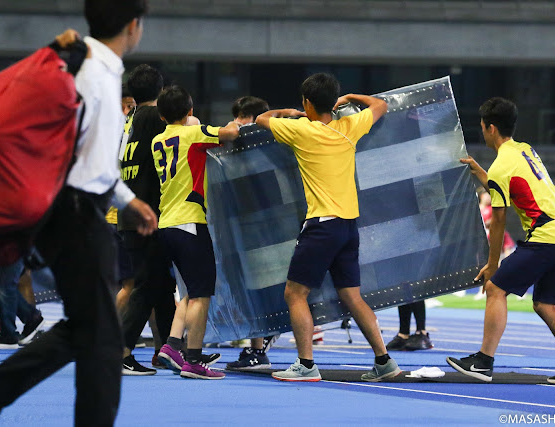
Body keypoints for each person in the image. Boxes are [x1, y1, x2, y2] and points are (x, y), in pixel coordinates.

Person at [0, 1, 157, 425]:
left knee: (90, 327)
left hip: (60, 211)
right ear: (134, 25)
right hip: (79, 213)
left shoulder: (75, 64)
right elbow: (95, 166)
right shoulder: (100, 74)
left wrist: (126, 201)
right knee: (103, 338)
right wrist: (128, 202)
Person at [255, 73, 400, 382]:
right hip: (348, 226)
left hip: (321, 225)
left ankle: (306, 365)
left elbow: (261, 119)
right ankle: (384, 361)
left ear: (307, 103)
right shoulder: (350, 126)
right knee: (352, 297)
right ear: (333, 103)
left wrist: (288, 112)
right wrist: (350, 99)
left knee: (294, 293)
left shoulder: (300, 129)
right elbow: (380, 105)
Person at [446, 97, 555, 385]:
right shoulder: (525, 150)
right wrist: (481, 173)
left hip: (546, 238)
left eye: (482, 126)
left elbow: (498, 221)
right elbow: (510, 185)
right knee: (545, 304)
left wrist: (492, 265)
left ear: (490, 128)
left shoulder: (501, 167)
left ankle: (483, 362)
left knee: (495, 288)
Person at [154, 85, 239, 380]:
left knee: (190, 291)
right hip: (190, 223)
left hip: (166, 224)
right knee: (201, 296)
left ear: (161, 115)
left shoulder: (157, 140)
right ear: (190, 111)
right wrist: (201, 124)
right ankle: (193, 360)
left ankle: (172, 345)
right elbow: (231, 132)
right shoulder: (194, 134)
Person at [117, 64, 178, 376]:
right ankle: (121, 352)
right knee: (146, 285)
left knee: (162, 285)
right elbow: (186, 131)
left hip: (131, 214)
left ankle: (169, 350)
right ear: (161, 90)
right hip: (147, 216)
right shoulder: (155, 117)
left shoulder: (130, 119)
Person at [224, 96, 277, 370]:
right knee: (250, 290)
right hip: (242, 225)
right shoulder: (236, 143)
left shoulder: (271, 142)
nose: (237, 123)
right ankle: (258, 345)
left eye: (243, 118)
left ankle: (258, 349)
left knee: (260, 290)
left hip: (266, 228)